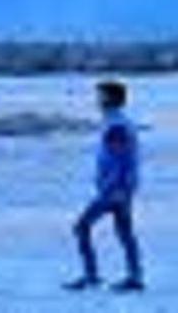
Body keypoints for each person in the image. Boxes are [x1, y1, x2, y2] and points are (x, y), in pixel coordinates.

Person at [64, 80, 144, 293]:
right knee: (124, 232)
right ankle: (134, 277)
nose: (96, 100)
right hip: (120, 189)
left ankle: (92, 276)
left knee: (81, 227)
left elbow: (120, 160)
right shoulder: (115, 122)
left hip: (114, 191)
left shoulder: (116, 125)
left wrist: (112, 188)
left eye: (100, 95)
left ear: (110, 98)